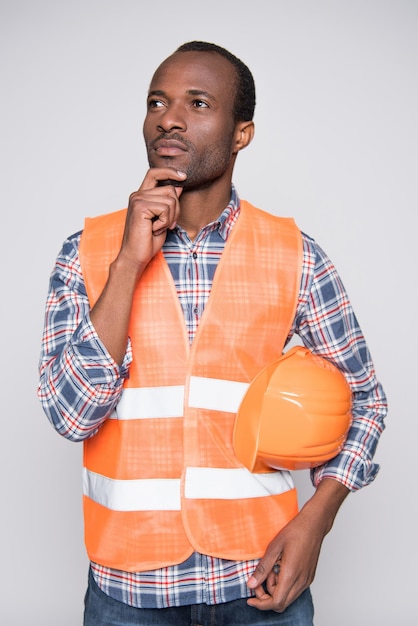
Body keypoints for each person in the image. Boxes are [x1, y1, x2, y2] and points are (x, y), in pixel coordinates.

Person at [38, 41, 387, 625]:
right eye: (157, 101)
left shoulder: (295, 255)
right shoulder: (89, 252)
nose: (168, 117)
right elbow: (71, 415)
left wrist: (315, 522)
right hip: (129, 591)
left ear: (241, 133)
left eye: (198, 103)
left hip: (260, 578)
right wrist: (128, 263)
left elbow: (366, 402)